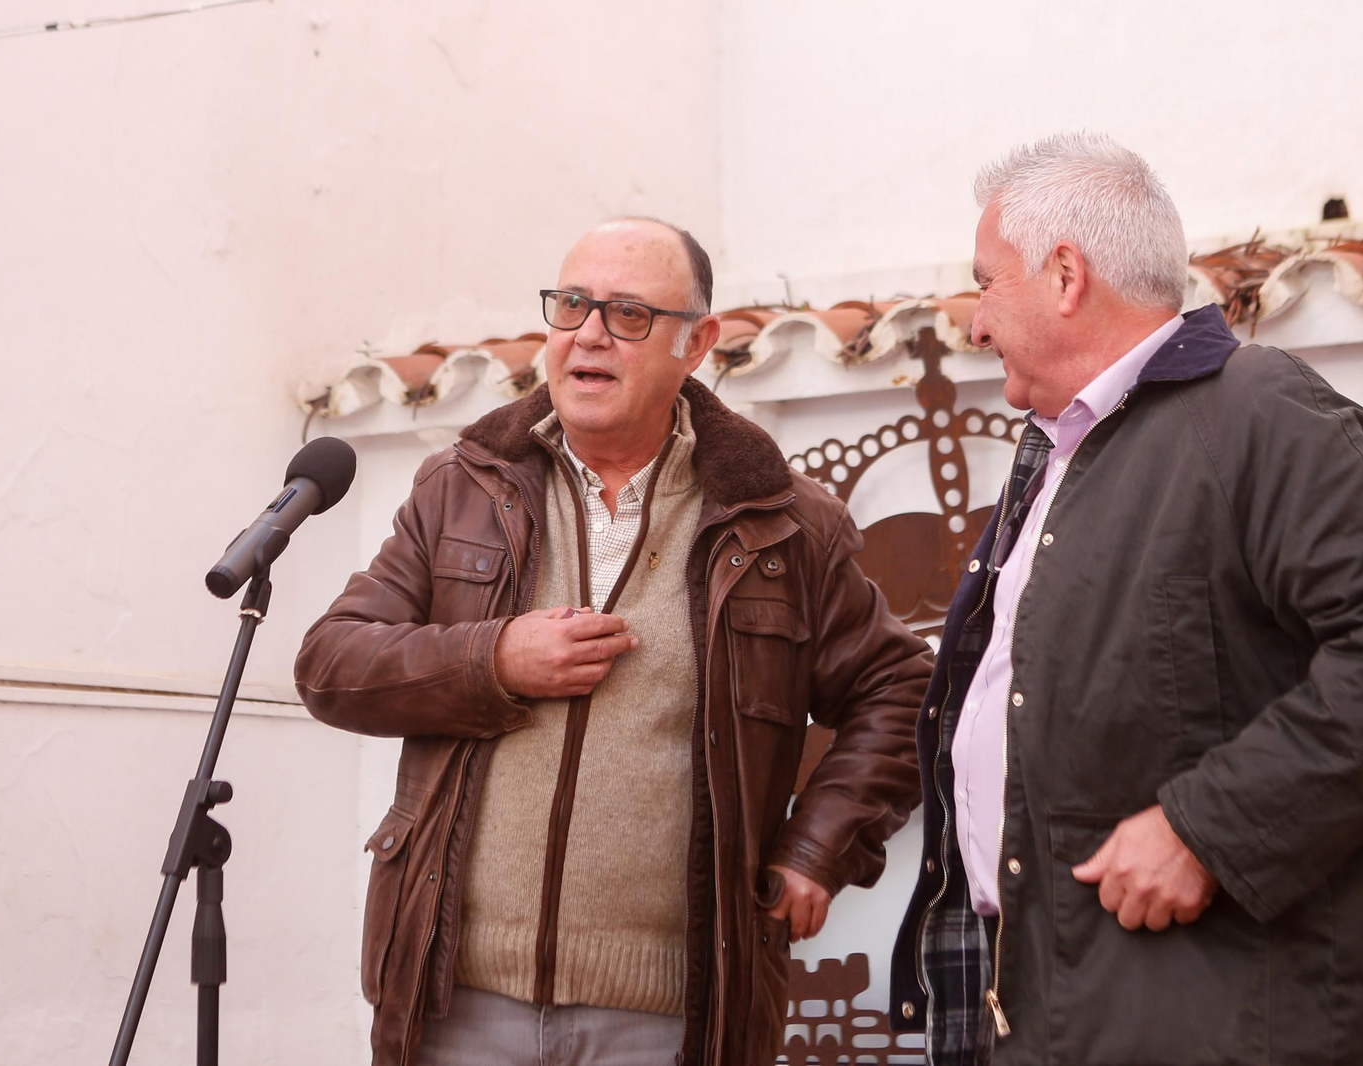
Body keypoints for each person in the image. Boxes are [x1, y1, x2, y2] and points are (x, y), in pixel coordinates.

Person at [888, 132, 1363, 1065]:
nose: (972, 322)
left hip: (1222, 1023)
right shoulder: (1059, 454)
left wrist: (1208, 829)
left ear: (1064, 276)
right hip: (1060, 1005)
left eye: (986, 282)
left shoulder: (1259, 411)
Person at [296, 217, 932, 1066]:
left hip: (670, 1014)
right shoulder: (463, 487)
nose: (589, 334)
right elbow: (333, 662)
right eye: (572, 306)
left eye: (628, 313)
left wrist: (821, 847)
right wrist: (494, 660)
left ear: (695, 343)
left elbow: (902, 691)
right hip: (455, 999)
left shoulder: (783, 524)